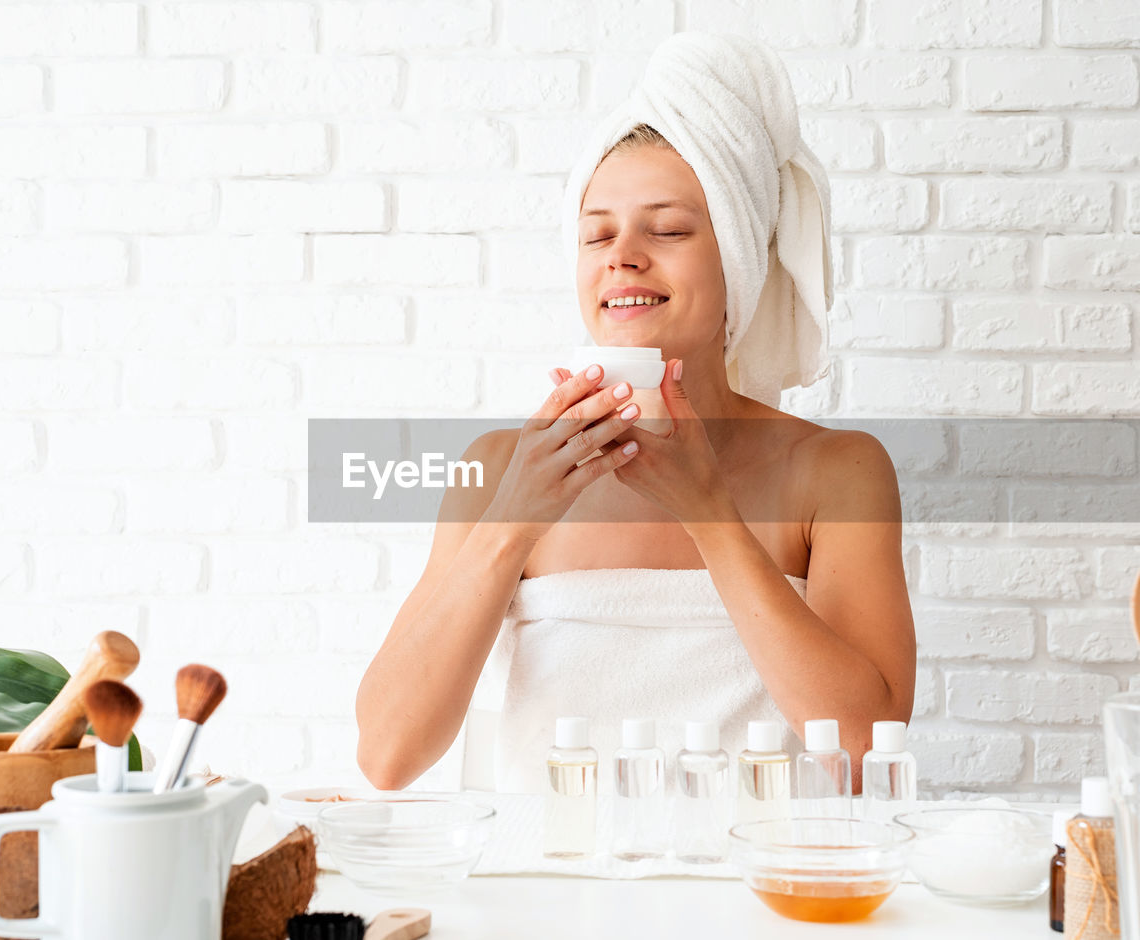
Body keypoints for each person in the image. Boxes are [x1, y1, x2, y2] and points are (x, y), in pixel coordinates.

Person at [356, 32, 916, 793]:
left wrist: (711, 517)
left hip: (760, 901)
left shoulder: (835, 473)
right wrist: (514, 519)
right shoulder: (496, 470)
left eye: (670, 229)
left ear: (740, 260)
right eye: (597, 234)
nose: (622, 254)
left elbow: (862, 749)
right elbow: (388, 755)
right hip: (551, 900)